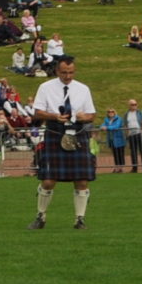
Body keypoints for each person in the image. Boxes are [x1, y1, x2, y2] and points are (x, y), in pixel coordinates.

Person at [28, 56, 96, 231]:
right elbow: (37, 113)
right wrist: (53, 116)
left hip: (78, 134)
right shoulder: (45, 87)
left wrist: (83, 117)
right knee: (49, 180)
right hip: (55, 133)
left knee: (82, 180)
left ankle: (80, 219)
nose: (68, 76)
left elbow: (91, 115)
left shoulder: (83, 89)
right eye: (64, 72)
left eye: (71, 72)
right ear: (57, 71)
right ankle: (40, 216)